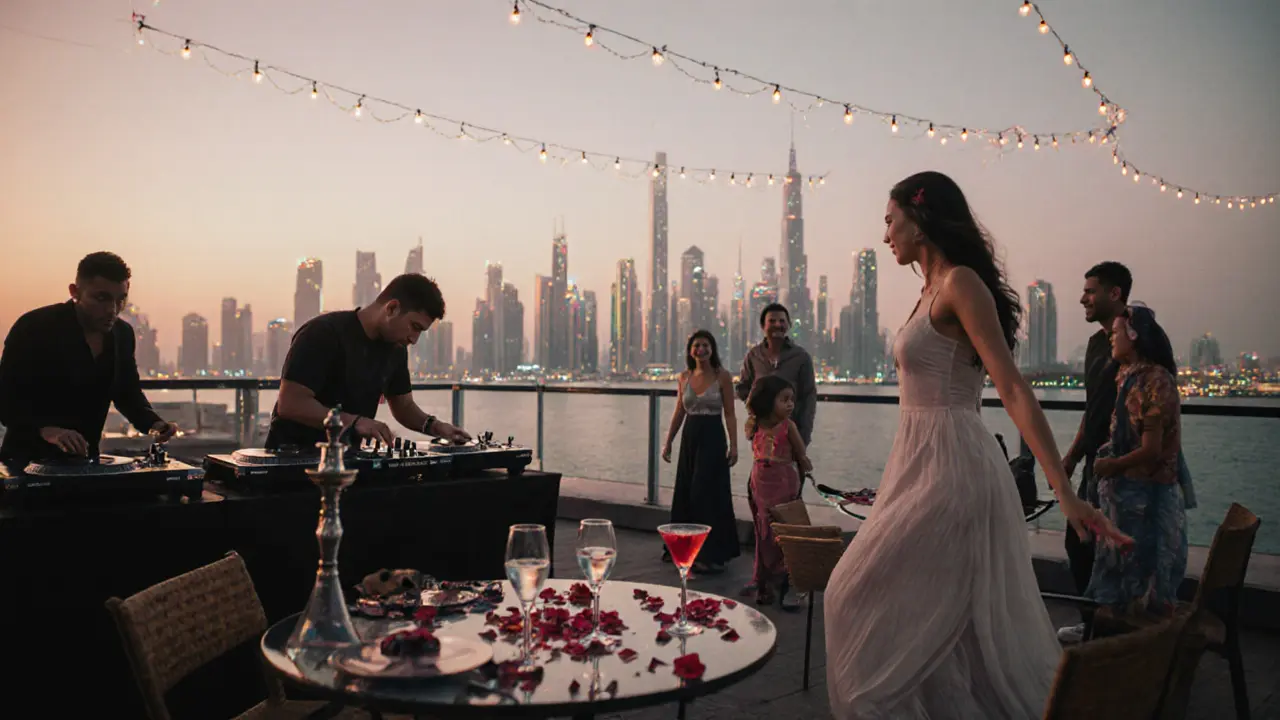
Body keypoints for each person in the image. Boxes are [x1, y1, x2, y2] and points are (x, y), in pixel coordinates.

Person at [823, 171, 1130, 719]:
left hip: (954, 467)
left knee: (849, 591)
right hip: (918, 460)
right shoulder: (928, 291)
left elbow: (1012, 388)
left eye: (890, 221)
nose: (885, 234)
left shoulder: (961, 283)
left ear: (921, 219)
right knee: (945, 631)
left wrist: (1062, 490)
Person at [0, 252, 178, 464]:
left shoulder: (123, 334)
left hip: (86, 463)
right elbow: (6, 400)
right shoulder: (33, 327)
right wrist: (46, 430)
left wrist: (155, 424)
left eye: (120, 300)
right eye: (101, 298)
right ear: (75, 292)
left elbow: (127, 394)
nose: (112, 310)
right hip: (24, 464)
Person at [266, 273, 469, 450]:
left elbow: (404, 406)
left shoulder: (396, 348)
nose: (414, 339)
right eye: (414, 326)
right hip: (293, 460)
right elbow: (291, 404)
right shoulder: (322, 333)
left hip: (349, 461)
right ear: (392, 308)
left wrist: (436, 427)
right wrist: (356, 423)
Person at [1088, 304, 1190, 618]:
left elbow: (1152, 449)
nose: (1112, 340)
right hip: (1128, 495)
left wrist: (1112, 465)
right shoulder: (1128, 377)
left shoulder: (1154, 381)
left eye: (1117, 334)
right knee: (1119, 570)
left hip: (1147, 498)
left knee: (1143, 576)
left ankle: (1141, 650)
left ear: (1134, 337)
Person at [1056, 260, 1131, 643]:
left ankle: (1120, 632)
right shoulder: (1095, 345)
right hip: (1093, 464)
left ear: (1114, 294)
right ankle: (1092, 623)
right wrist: (1069, 458)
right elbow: (1093, 409)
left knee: (1119, 549)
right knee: (1078, 540)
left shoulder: (1137, 340)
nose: (1082, 298)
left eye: (1090, 291)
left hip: (1125, 468)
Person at [734, 302, 817, 596]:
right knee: (762, 523)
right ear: (763, 325)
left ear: (789, 324)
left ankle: (791, 581)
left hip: (788, 450)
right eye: (772, 320)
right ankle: (761, 577)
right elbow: (742, 387)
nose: (778, 325)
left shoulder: (801, 357)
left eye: (782, 320)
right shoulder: (753, 356)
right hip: (763, 449)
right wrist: (755, 410)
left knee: (788, 520)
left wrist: (801, 441)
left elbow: (808, 399)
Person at [661, 330, 741, 574]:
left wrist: (734, 444)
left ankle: (709, 553)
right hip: (690, 437)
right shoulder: (684, 377)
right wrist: (668, 441)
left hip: (713, 437)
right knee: (686, 491)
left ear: (712, 349)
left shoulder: (723, 376)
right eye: (696, 345)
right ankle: (683, 549)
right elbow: (679, 411)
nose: (701, 349)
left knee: (704, 493)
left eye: (706, 345)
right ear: (690, 350)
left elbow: (729, 412)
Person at [744, 375, 812, 607]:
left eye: (792, 399)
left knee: (784, 530)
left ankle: (792, 582)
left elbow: (801, 454)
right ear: (767, 400)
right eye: (784, 399)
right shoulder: (755, 425)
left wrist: (806, 469)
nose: (790, 404)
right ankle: (765, 581)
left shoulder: (788, 427)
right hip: (760, 483)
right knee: (763, 532)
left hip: (784, 482)